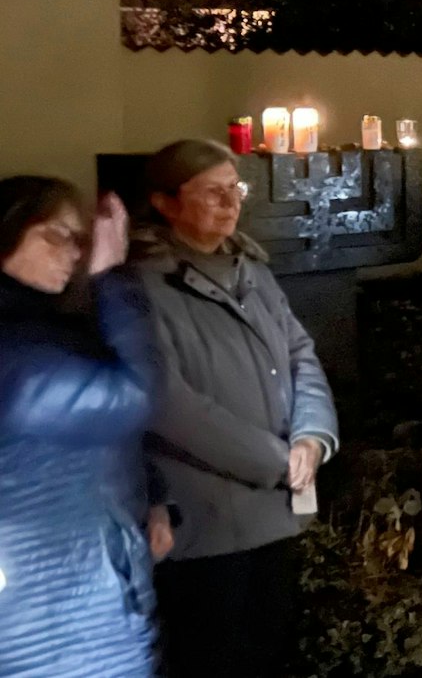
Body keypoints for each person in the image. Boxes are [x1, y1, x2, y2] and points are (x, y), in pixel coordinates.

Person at [134, 139, 339, 678]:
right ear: (165, 202)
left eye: (235, 188)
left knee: (270, 647)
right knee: (213, 655)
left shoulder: (251, 268)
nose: (231, 203)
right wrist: (276, 460)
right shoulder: (143, 285)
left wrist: (312, 436)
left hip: (276, 512)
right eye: (212, 192)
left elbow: (299, 354)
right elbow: (171, 404)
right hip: (206, 518)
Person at [0, 178, 167, 678]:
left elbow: (102, 439)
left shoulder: (46, 329)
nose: (74, 252)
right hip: (48, 614)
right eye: (54, 235)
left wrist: (151, 496)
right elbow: (133, 396)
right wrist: (114, 276)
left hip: (79, 593)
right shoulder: (16, 356)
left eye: (78, 238)